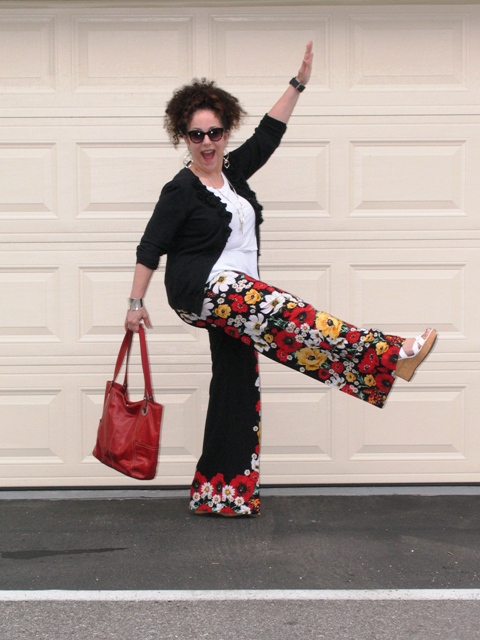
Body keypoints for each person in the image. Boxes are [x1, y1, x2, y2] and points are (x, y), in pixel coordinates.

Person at [125, 42, 437, 517]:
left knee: (237, 387)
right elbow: (150, 247)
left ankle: (222, 494)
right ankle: (391, 353)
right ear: (183, 137)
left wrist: (298, 84)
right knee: (291, 314)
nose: (207, 143)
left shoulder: (231, 174)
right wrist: (134, 304)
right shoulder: (180, 189)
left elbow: (268, 134)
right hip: (204, 290)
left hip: (238, 295)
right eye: (196, 134)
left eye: (215, 132)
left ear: (226, 132)